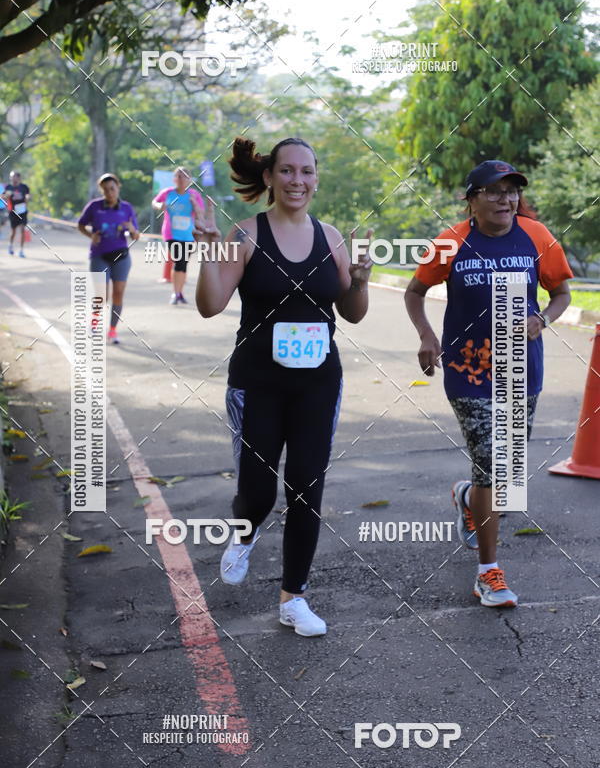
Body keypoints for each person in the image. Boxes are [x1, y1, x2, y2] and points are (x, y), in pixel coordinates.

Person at [195, 136, 373, 636]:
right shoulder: (247, 234)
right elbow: (210, 305)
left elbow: (353, 315)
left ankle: (293, 598)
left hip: (318, 384)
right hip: (257, 383)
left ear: (316, 178)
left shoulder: (331, 236)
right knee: (256, 490)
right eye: (289, 171)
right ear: (269, 177)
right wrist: (209, 252)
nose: (299, 181)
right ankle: (245, 532)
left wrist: (358, 281)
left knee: (306, 488)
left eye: (308, 172)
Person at [405, 160, 573, 608]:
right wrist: (427, 336)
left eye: (512, 191)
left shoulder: (537, 237)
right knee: (496, 469)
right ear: (472, 199)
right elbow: (414, 292)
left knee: (506, 473)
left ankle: (466, 497)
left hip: (521, 368)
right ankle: (488, 573)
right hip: (469, 371)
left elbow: (562, 294)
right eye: (494, 192)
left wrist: (542, 319)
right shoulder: (451, 242)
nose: (506, 199)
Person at [77, 173, 140, 344]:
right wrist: (91, 236)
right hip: (99, 256)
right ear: (102, 191)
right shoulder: (94, 206)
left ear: (118, 187)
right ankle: (95, 323)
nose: (109, 193)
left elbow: (136, 236)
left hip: (121, 256)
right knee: (101, 295)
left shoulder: (127, 208)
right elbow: (80, 225)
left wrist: (132, 229)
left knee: (118, 293)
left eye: (112, 189)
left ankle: (112, 330)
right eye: (105, 190)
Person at [152, 167, 204, 303]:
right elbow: (155, 202)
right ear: (174, 179)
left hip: (189, 235)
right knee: (178, 261)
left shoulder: (194, 195)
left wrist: (194, 203)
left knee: (183, 264)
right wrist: (159, 206)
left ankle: (179, 293)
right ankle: (175, 293)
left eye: (185, 176)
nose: (181, 179)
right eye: (179, 176)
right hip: (171, 234)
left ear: (190, 180)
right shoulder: (167, 193)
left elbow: (201, 213)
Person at [3, 171, 30, 257]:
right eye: (11, 177)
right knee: (13, 231)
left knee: (22, 229)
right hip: (13, 212)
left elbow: (28, 195)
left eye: (13, 177)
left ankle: (21, 250)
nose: (12, 178)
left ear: (18, 178)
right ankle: (10, 245)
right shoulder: (8, 187)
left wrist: (27, 197)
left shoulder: (24, 187)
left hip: (22, 211)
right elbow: (2, 197)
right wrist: (7, 195)